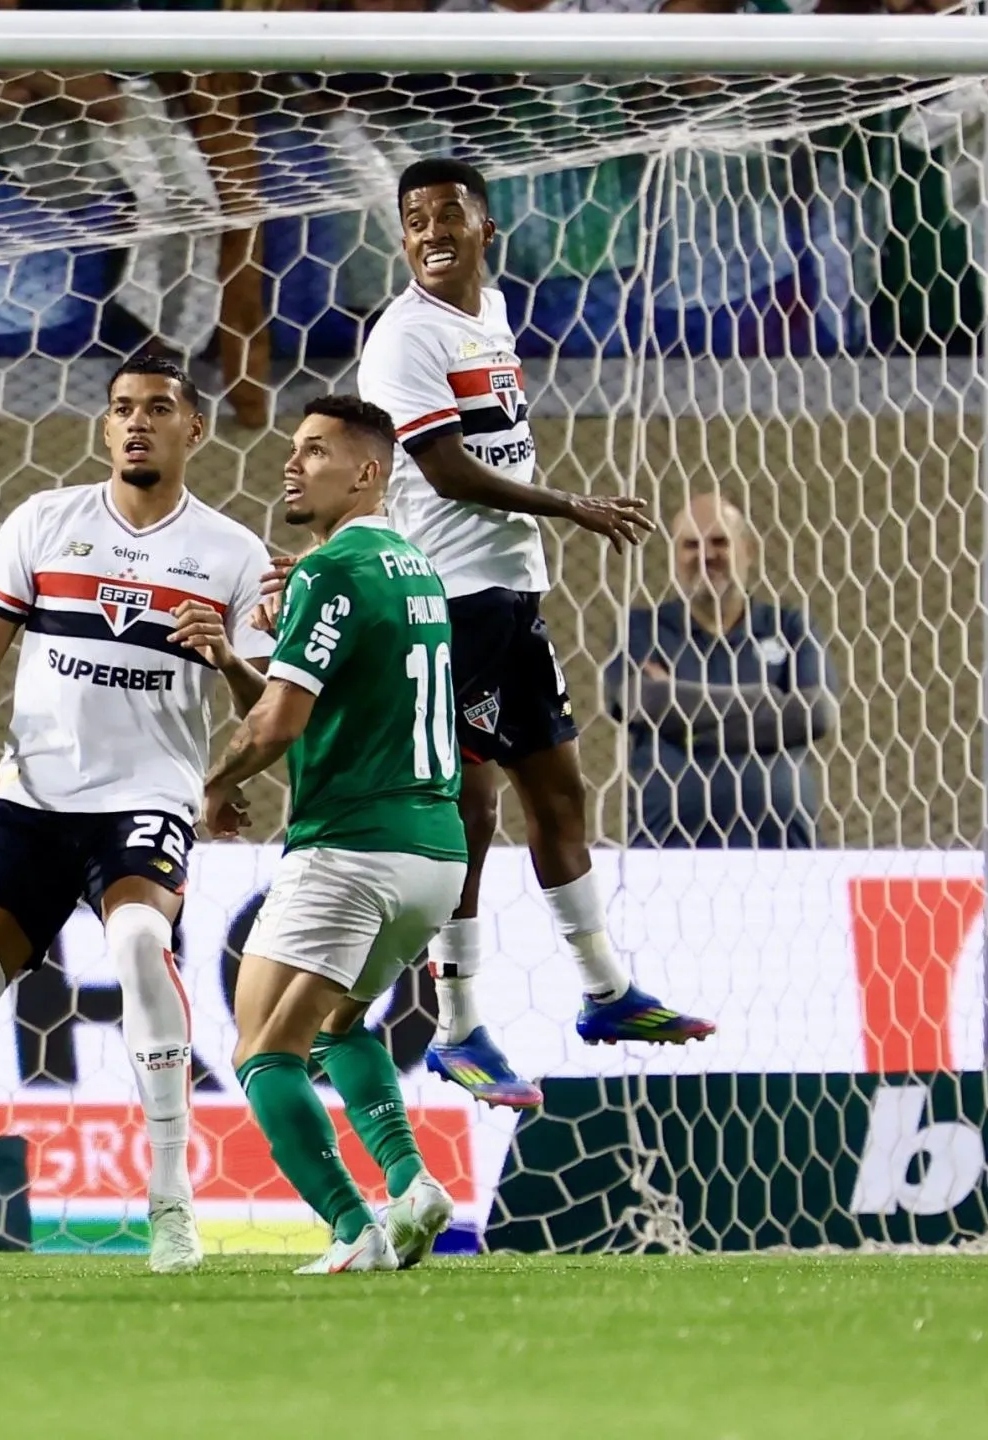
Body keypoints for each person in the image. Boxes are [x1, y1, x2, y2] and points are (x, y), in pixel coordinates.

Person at [0, 351, 273, 1276]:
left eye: (157, 408)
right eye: (120, 409)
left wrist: (225, 657)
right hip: (31, 802)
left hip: (144, 800)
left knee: (143, 948)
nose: (136, 423)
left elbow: (268, 707)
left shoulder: (234, 553)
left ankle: (172, 1209)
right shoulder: (45, 521)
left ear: (194, 428)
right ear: (105, 428)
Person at [355, 156, 712, 1109]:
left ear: (485, 228)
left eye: (447, 215)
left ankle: (605, 993)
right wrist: (571, 506)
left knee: (560, 792)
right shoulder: (403, 337)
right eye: (413, 220)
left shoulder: (493, 310)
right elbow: (442, 468)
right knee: (466, 811)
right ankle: (460, 1026)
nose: (429, 232)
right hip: (444, 600)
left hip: (510, 594)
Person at [201, 397, 465, 1276]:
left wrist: (213, 788)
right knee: (338, 1024)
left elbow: (276, 728)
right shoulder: (412, 565)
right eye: (291, 449)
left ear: (367, 473)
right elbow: (332, 711)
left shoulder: (331, 569)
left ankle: (354, 1228)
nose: (292, 464)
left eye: (314, 451)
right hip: (435, 856)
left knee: (260, 1047)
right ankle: (411, 1181)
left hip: (351, 850)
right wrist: (258, 657)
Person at [605, 494, 836, 849]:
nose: (705, 556)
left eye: (719, 542)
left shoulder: (790, 626)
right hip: (666, 850)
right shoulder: (641, 628)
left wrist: (682, 714)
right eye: (691, 545)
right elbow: (641, 699)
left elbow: (815, 714)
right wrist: (768, 702)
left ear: (748, 549)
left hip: (783, 852)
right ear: (675, 555)